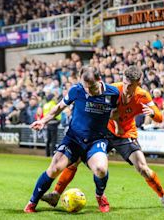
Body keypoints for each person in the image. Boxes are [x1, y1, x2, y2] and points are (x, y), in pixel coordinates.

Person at [41, 66, 164, 210]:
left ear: (138, 83)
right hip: (103, 132)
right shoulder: (114, 90)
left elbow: (160, 118)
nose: (125, 87)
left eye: (130, 85)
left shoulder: (143, 96)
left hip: (125, 134)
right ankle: (56, 194)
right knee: (74, 160)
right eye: (124, 82)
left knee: (143, 168)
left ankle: (163, 197)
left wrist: (152, 113)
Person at [24, 67, 120, 213]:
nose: (89, 91)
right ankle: (32, 202)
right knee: (54, 168)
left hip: (96, 140)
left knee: (101, 169)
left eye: (92, 87)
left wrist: (118, 126)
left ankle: (100, 196)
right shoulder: (77, 90)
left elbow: (116, 112)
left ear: (99, 80)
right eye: (86, 87)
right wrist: (44, 121)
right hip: (73, 139)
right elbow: (59, 107)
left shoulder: (113, 93)